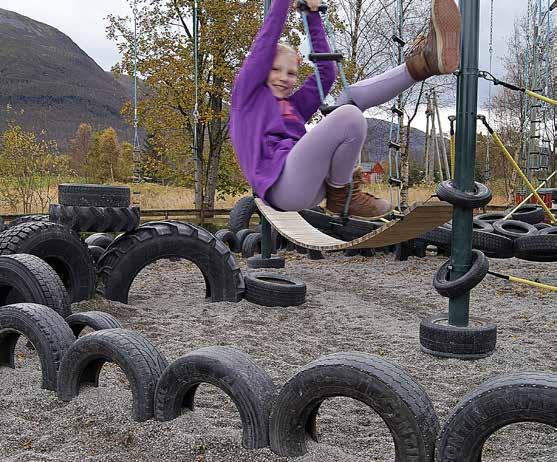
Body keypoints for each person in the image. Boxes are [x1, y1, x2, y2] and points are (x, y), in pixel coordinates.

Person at [230, 0, 461, 217]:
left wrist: (311, 15)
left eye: (291, 73)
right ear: (260, 71)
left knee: (350, 98)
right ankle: (344, 194)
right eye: (275, 70)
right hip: (282, 186)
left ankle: (424, 64)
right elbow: (266, 42)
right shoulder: (247, 97)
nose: (284, 78)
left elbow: (326, 73)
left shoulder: (293, 106)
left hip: (311, 183)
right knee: (349, 117)